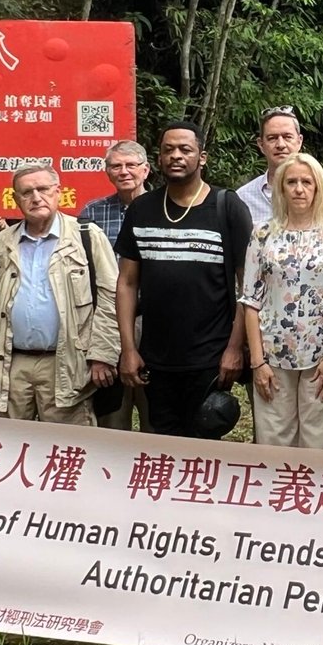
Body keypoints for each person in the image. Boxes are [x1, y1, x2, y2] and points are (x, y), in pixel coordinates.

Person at [116, 121, 254, 437]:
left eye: (185, 149)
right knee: (163, 443)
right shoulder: (142, 209)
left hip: (211, 358)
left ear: (201, 157)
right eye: (168, 150)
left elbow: (249, 287)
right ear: (159, 158)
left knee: (205, 444)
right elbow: (126, 283)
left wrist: (235, 348)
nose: (176, 155)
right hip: (156, 358)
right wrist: (128, 348)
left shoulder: (226, 206)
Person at [0, 164, 120, 425]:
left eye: (43, 189)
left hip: (67, 362)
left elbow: (110, 298)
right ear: (16, 199)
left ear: (58, 192)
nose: (36, 197)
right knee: (6, 444)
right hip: (10, 363)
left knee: (68, 451)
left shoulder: (86, 237)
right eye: (27, 192)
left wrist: (102, 355)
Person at [240, 153, 323, 449]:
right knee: (274, 438)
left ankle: (322, 495)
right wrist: (257, 362)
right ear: (281, 188)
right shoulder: (263, 234)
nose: (299, 189)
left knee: (322, 439)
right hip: (272, 353)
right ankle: (276, 494)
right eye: (291, 182)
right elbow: (250, 301)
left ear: (319, 188)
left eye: (307, 182)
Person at [78, 140, 151, 430]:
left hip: (153, 319)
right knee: (111, 414)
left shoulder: (163, 208)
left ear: (145, 170)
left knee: (154, 413)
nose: (124, 171)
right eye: (116, 166)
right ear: (107, 172)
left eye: (131, 165)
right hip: (106, 320)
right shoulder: (92, 213)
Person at [235, 106, 323, 226]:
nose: (280, 144)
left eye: (287, 137)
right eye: (272, 138)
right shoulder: (243, 198)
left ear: (299, 141)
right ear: (261, 144)